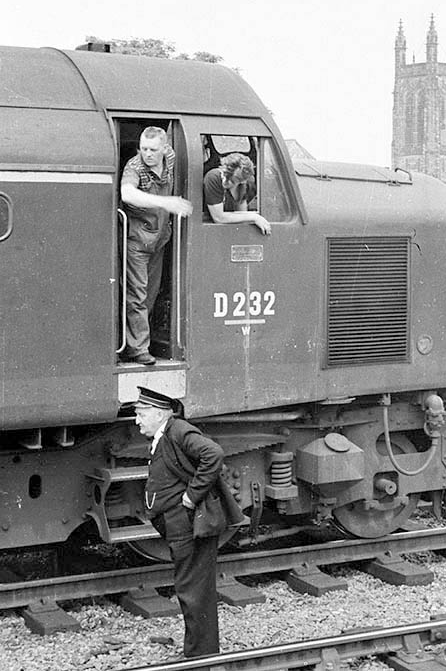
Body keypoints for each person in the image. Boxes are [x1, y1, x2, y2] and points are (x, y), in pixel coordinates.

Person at [133, 386, 223, 657]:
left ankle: (201, 656)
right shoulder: (166, 433)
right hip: (177, 523)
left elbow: (214, 454)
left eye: (141, 414)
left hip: (187, 523)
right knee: (190, 587)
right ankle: (199, 651)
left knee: (193, 588)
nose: (137, 420)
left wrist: (191, 496)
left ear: (160, 414)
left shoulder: (179, 430)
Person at [121, 126, 193, 365]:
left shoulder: (171, 157)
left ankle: (140, 342)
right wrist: (166, 202)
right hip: (138, 241)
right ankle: (137, 349)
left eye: (153, 149)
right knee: (137, 296)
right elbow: (128, 194)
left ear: (164, 148)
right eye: (143, 148)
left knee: (150, 294)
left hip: (159, 239)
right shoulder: (134, 167)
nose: (147, 154)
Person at [203, 152, 271, 234]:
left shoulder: (244, 184)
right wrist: (254, 217)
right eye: (225, 176)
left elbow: (242, 214)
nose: (226, 183)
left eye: (233, 181)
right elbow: (218, 218)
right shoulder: (214, 177)